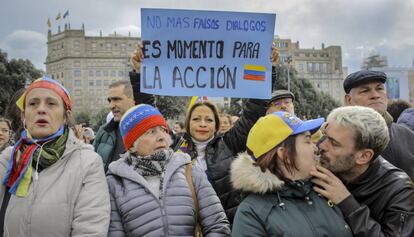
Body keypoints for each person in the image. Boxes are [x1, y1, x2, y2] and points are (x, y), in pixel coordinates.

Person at [132, 44, 269, 224]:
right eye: (196, 119)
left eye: (209, 120)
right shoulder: (172, 145)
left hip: (228, 226)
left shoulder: (230, 143)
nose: (202, 124)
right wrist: (139, 74)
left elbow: (253, 111)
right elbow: (150, 112)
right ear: (188, 124)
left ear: (216, 125)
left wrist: (267, 68)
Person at [0, 77, 110, 236]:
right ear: (24, 115)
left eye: (51, 103)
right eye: (33, 103)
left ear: (66, 116)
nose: (41, 109)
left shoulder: (87, 162)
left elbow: (90, 229)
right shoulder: (8, 159)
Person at [107, 104, 230, 236]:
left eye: (163, 130)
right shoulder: (116, 182)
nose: (161, 137)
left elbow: (218, 226)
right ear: (132, 144)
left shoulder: (190, 170)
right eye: (151, 131)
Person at [231, 111, 352, 236]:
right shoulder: (252, 213)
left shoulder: (329, 189)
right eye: (308, 141)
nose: (316, 148)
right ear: (284, 154)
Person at [311, 106, 414, 237]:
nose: (321, 146)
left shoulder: (399, 191)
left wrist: (346, 202)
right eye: (326, 137)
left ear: (364, 156)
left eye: (334, 143)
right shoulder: (326, 167)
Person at [343, 70, 414, 179]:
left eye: (379, 89)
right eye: (365, 91)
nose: (375, 95)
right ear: (348, 100)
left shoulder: (407, 136)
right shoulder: (335, 141)